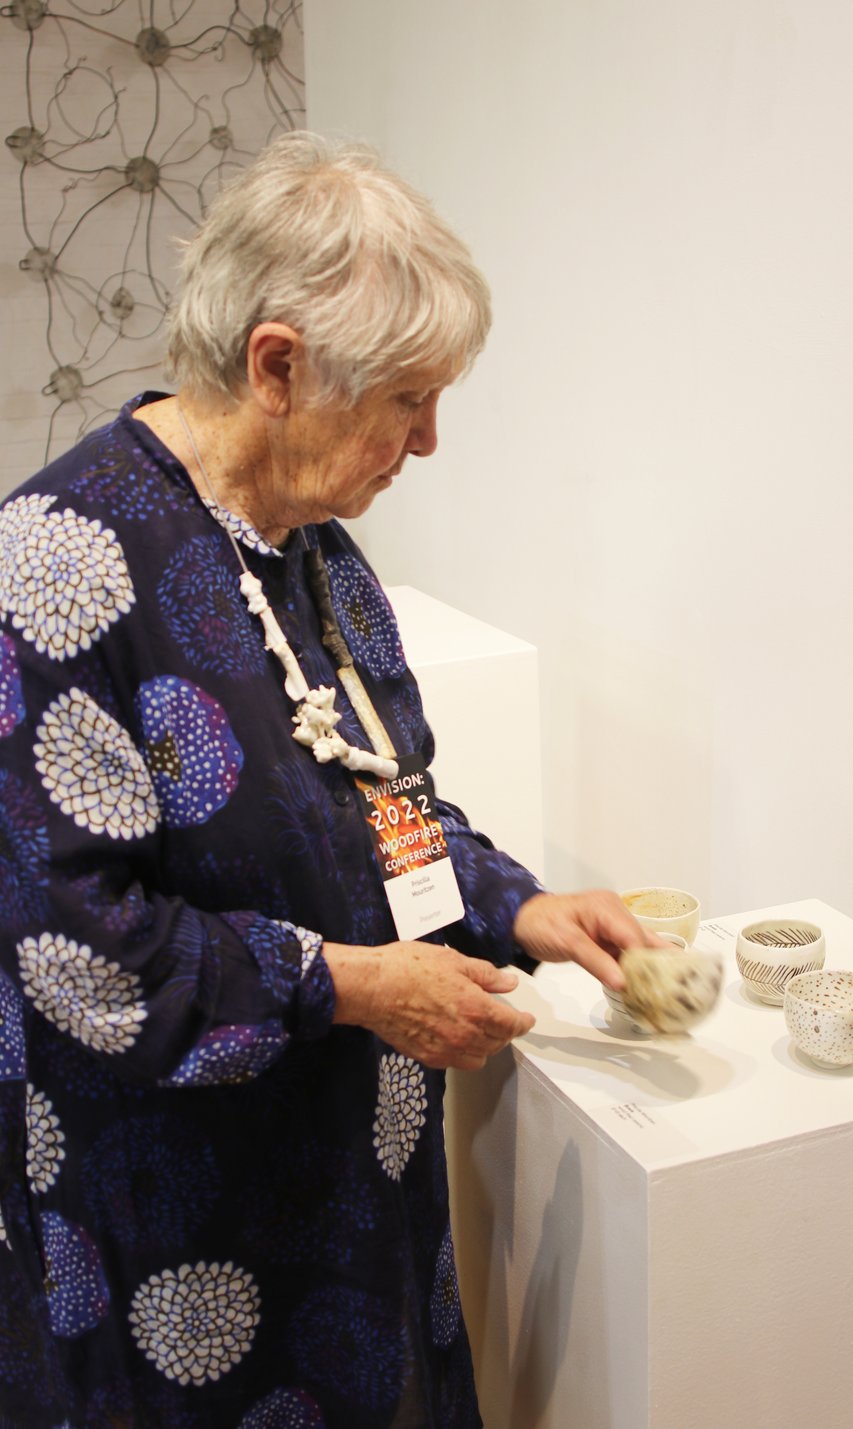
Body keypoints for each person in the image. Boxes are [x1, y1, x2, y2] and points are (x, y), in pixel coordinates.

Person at [0, 132, 654, 1427]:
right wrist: (350, 982)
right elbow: (70, 946)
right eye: (406, 398)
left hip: (346, 1189)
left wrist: (514, 906)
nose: (426, 441)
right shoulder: (53, 571)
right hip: (169, 1221)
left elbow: (381, 804)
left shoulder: (315, 555)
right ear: (279, 365)